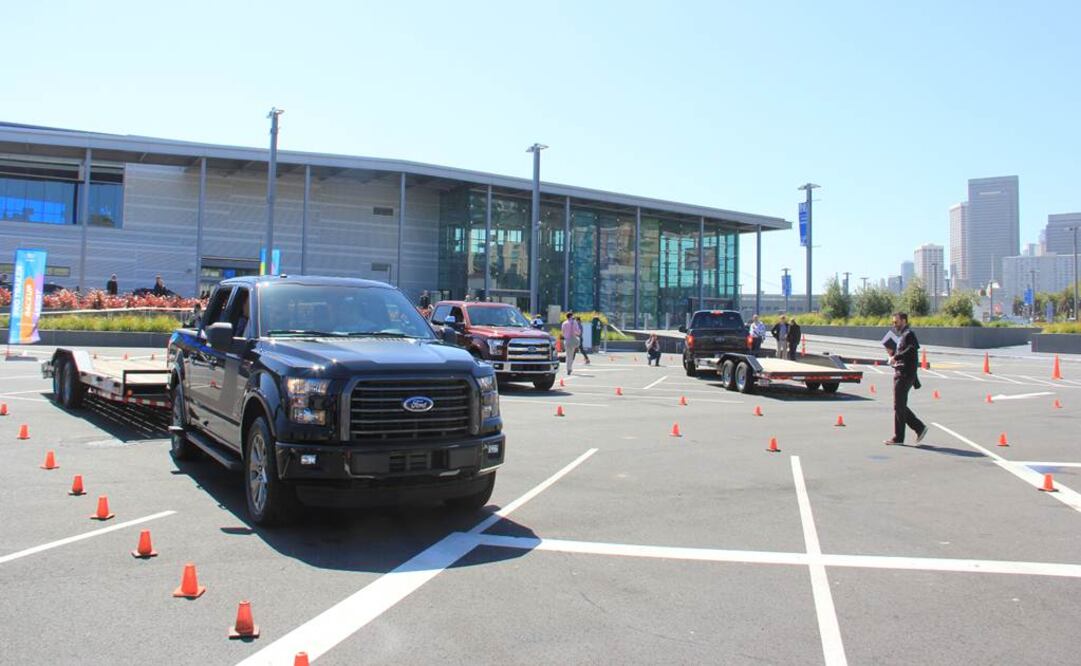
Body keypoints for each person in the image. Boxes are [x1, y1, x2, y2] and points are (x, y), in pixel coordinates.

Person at [884, 312, 928, 446]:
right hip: (901, 373)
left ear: (904, 321)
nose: (894, 325)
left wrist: (896, 357)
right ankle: (915, 429)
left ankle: (905, 434)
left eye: (896, 322)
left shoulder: (909, 334)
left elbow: (911, 350)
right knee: (899, 405)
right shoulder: (902, 336)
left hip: (904, 375)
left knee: (899, 405)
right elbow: (905, 352)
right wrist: (892, 354)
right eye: (893, 322)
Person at [561, 311, 580, 376]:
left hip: (566, 340)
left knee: (568, 355)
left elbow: (563, 332)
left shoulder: (564, 323)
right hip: (573, 340)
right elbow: (578, 332)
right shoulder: (574, 322)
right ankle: (570, 368)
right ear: (571, 316)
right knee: (571, 355)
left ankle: (568, 369)